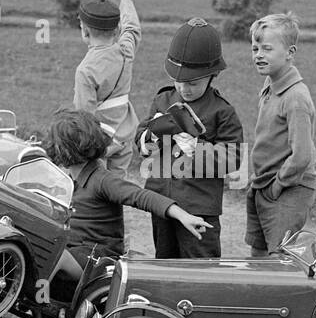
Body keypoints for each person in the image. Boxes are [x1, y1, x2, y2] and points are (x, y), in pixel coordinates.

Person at [43, 110, 209, 271]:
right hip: (72, 247)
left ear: (63, 150)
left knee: (54, 255)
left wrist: (183, 215)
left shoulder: (102, 180)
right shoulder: (67, 179)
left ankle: (36, 296)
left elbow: (140, 196)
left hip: (96, 257)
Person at [136, 18, 244, 258]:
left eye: (193, 83)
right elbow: (142, 142)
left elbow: (233, 157)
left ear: (212, 75)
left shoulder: (222, 111)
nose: (184, 89)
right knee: (164, 260)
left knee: (200, 267)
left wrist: (198, 149)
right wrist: (150, 135)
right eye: (179, 81)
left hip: (199, 207)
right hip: (161, 201)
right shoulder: (162, 100)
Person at [246, 12, 316, 257]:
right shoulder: (268, 85)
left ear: (290, 52)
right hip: (262, 183)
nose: (258, 55)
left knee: (279, 258)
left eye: (267, 48)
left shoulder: (295, 97)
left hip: (288, 188)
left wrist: (277, 186)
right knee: (258, 252)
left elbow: (302, 156)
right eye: (255, 48)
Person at [73, 0, 140, 174]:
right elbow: (132, 28)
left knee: (94, 193)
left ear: (84, 30)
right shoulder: (125, 50)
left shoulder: (86, 70)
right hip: (124, 134)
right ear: (116, 29)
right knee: (117, 190)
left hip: (99, 146)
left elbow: (85, 119)